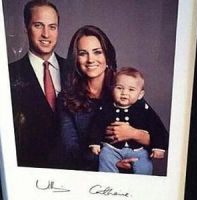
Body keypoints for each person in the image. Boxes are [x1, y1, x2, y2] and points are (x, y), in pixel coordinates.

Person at [58, 25, 150, 171]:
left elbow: (155, 135)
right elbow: (70, 150)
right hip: (87, 175)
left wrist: (134, 133)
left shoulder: (124, 88)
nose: (90, 59)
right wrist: (110, 161)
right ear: (76, 59)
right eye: (83, 53)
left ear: (107, 55)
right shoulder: (66, 97)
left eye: (97, 52)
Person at [8, 0, 65, 168]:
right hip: (29, 174)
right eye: (38, 25)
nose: (46, 34)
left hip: (74, 176)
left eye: (52, 27)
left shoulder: (75, 71)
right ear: (26, 28)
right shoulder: (8, 74)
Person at [89, 67, 169, 174]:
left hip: (138, 151)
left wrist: (158, 147)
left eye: (131, 89)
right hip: (112, 149)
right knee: (105, 157)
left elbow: (157, 127)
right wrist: (95, 143)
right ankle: (107, 183)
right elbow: (96, 125)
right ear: (113, 89)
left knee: (145, 166)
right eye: (119, 88)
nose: (124, 93)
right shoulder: (106, 107)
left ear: (140, 94)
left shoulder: (144, 109)